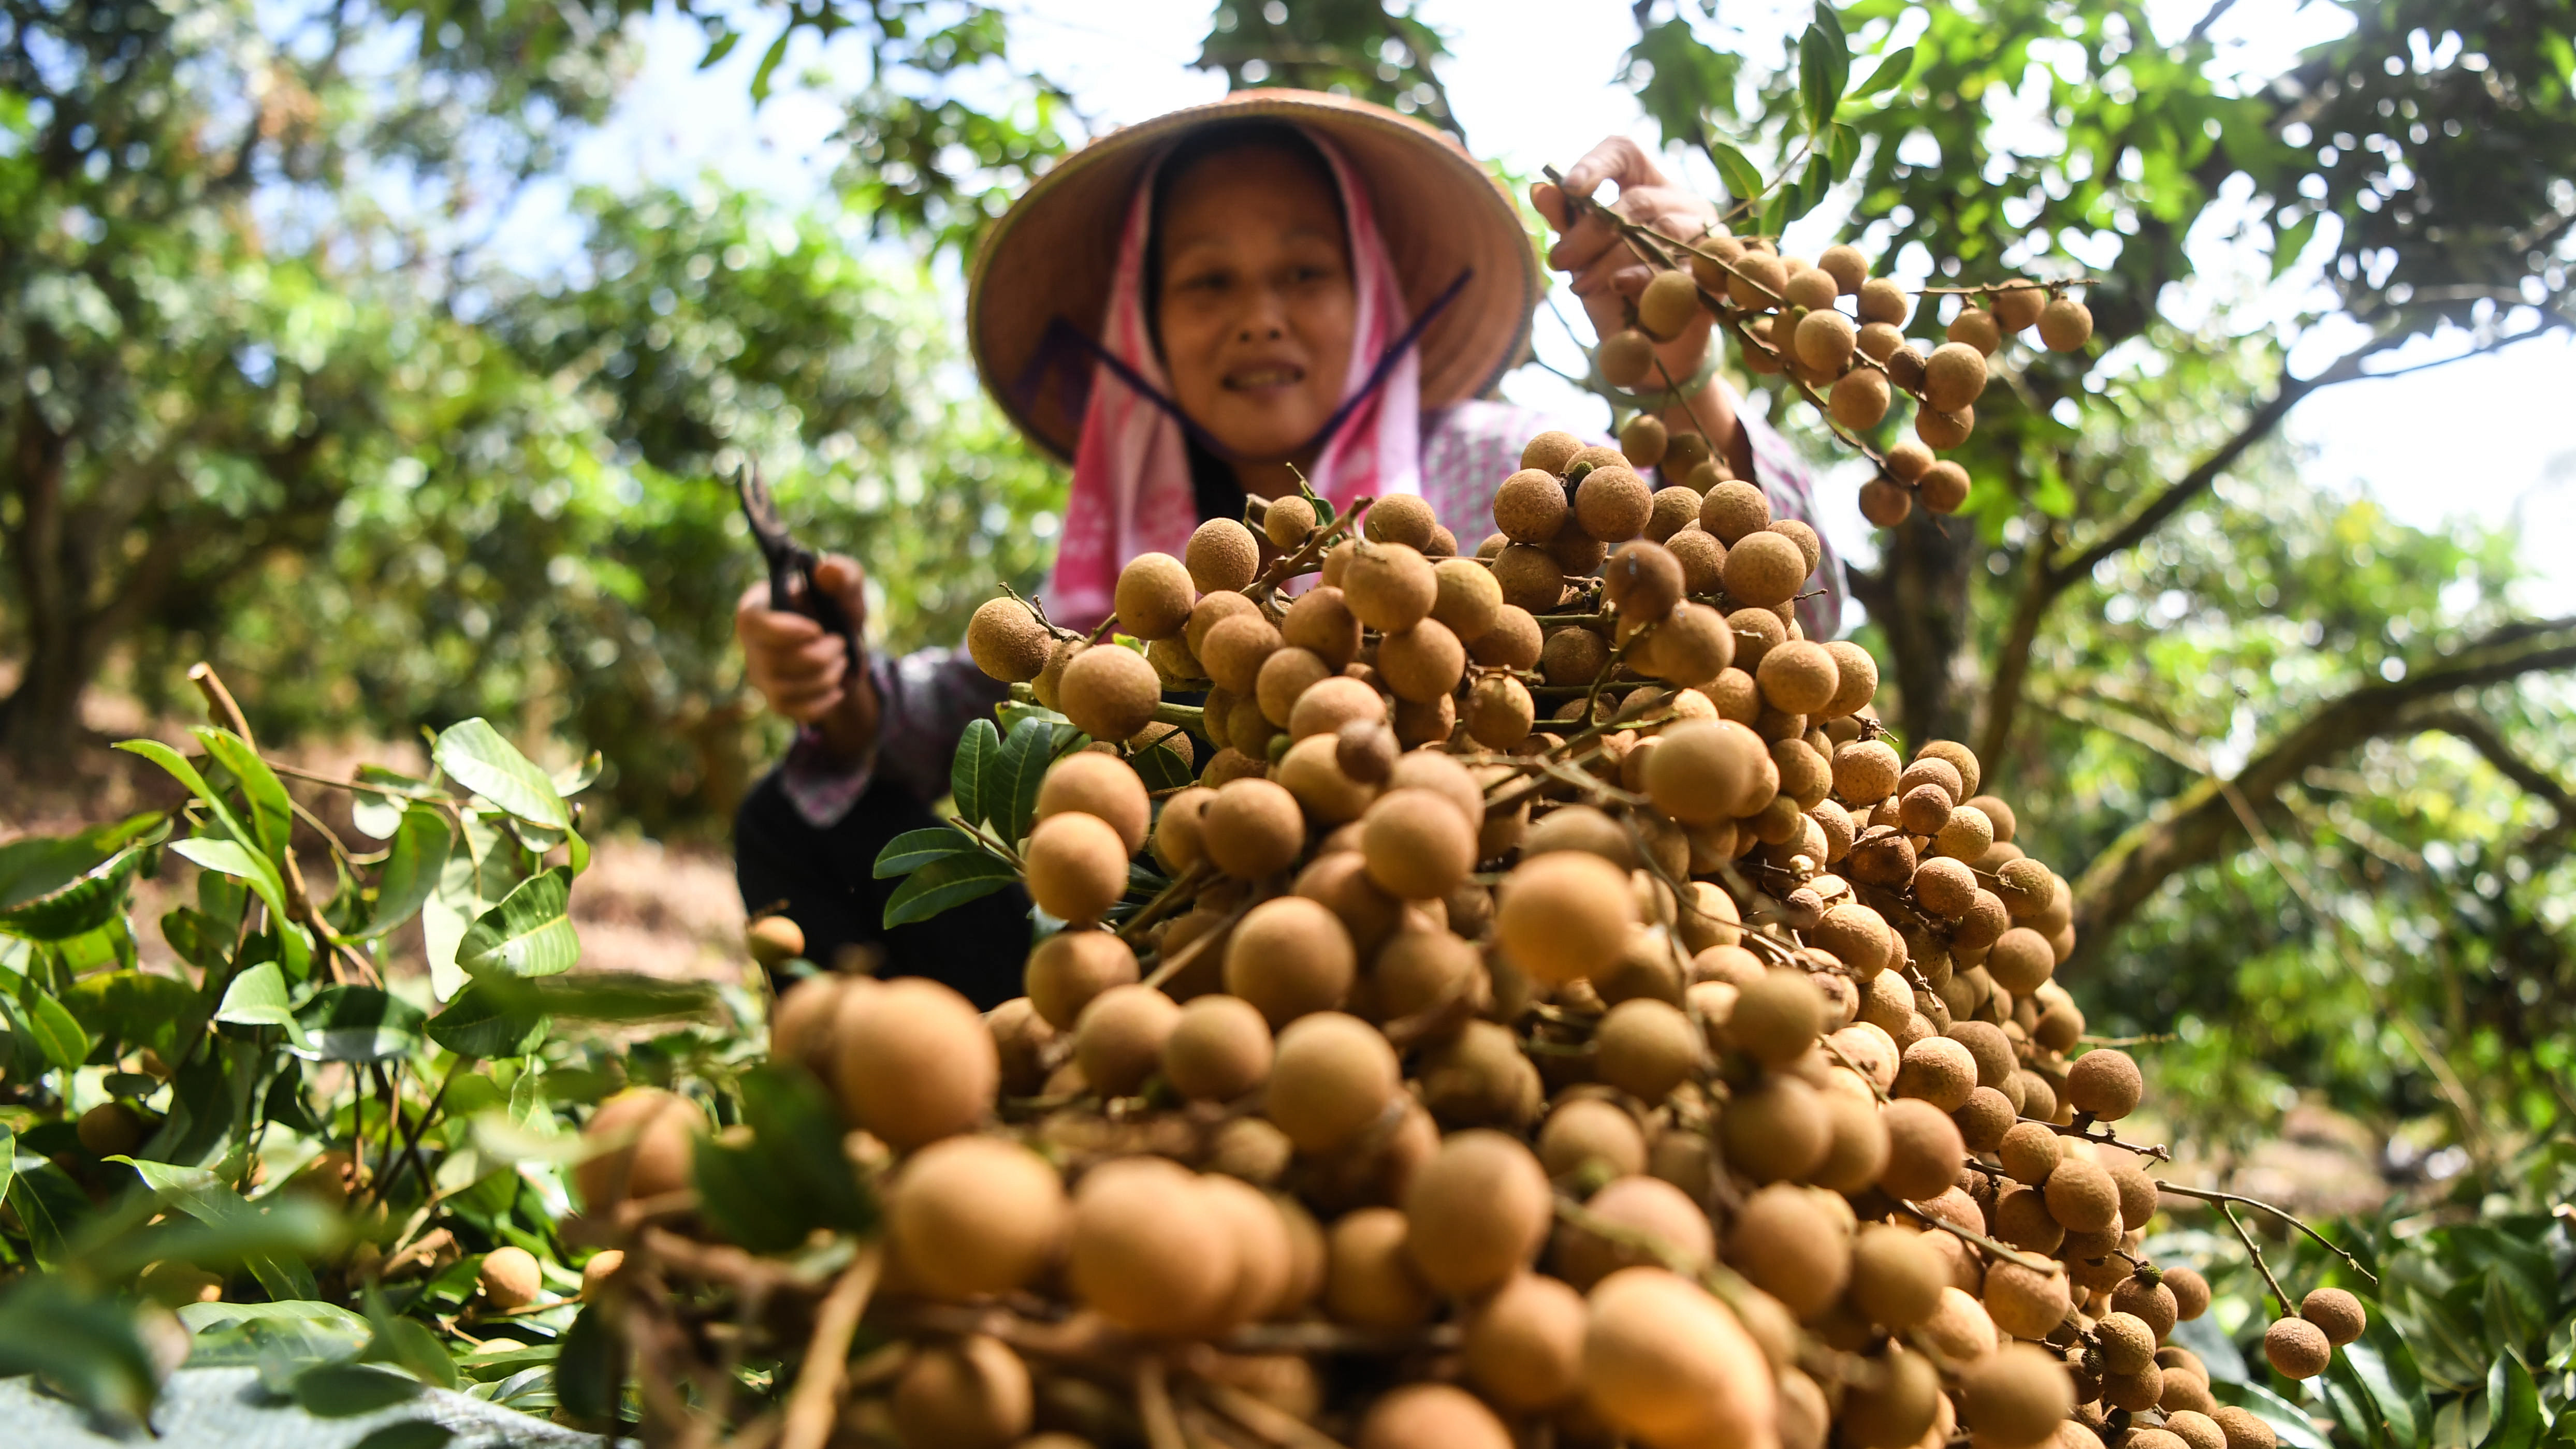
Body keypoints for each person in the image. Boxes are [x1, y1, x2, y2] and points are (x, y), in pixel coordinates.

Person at [733, 93, 1839, 1006]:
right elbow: (1000, 698)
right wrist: (834, 680)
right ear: (1145, 327)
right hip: (1213, 960)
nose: (1259, 314)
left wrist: (1685, 386)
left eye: (1305, 272)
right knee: (789, 819)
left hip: (1496, 920)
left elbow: (1789, 622)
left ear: (1369, 300)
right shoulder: (1139, 545)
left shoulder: (1508, 470)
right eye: (1207, 280)